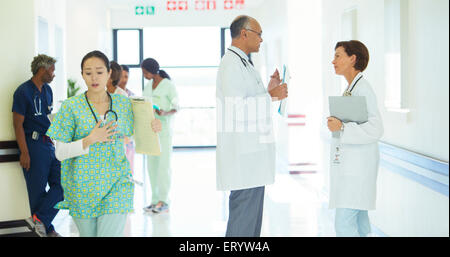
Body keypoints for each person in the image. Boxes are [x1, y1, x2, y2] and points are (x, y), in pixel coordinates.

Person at [46, 50, 162, 237]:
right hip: (82, 189)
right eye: (88, 72)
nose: (94, 77)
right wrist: (89, 139)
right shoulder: (70, 107)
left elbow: (137, 133)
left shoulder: (123, 103)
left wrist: (153, 126)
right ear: (82, 74)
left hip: (117, 184)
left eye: (99, 72)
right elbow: (60, 153)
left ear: (109, 73)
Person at [216, 15, 288, 237]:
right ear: (244, 33)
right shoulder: (230, 65)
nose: (261, 40)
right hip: (243, 161)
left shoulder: (244, 63)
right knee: (242, 226)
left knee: (251, 226)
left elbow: (249, 101)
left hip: (252, 159)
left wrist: (269, 90)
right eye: (259, 34)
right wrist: (271, 97)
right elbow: (237, 110)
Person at [327, 40, 384, 237]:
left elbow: (376, 128)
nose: (333, 61)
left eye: (337, 56)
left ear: (352, 59)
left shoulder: (363, 89)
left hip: (357, 172)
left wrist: (341, 127)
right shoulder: (352, 89)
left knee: (344, 226)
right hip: (353, 170)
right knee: (360, 225)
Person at [12, 54, 63, 237]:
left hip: (49, 143)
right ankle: (47, 230)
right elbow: (17, 125)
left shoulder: (48, 91)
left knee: (64, 184)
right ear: (42, 69)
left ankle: (40, 221)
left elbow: (48, 118)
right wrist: (24, 152)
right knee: (37, 192)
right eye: (52, 70)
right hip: (33, 146)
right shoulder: (23, 91)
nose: (54, 74)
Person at [141, 58, 179, 214]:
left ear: (151, 71)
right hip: (150, 132)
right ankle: (154, 200)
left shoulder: (168, 86)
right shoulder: (148, 86)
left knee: (163, 167)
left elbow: (176, 107)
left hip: (163, 132)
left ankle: (164, 201)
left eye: (144, 72)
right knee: (152, 168)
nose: (144, 75)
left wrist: (164, 112)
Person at [118, 64, 136, 174]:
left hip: (129, 140)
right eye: (122, 76)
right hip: (117, 139)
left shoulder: (132, 96)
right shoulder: (112, 95)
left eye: (126, 76)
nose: (124, 80)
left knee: (129, 171)